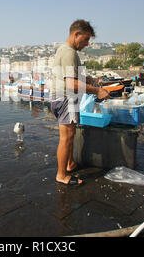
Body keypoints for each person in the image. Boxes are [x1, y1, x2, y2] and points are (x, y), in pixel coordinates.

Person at [51, 20, 110, 185]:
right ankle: (61, 175)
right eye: (85, 39)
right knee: (67, 137)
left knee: (69, 134)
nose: (87, 44)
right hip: (66, 97)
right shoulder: (69, 52)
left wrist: (92, 81)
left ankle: (69, 164)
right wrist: (97, 91)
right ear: (76, 34)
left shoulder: (64, 50)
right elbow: (71, 83)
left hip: (60, 96)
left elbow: (73, 77)